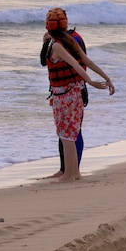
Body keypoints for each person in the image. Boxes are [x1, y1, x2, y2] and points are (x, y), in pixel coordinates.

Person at [43, 7, 116, 183]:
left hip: (64, 95)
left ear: (48, 28)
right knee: (72, 133)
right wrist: (107, 78)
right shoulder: (71, 40)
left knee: (66, 135)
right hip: (76, 92)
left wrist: (91, 81)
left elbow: (76, 65)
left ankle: (68, 174)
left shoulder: (58, 46)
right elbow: (87, 61)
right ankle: (75, 173)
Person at [39, 10, 87, 178]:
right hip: (65, 90)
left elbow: (81, 63)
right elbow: (43, 61)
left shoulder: (71, 40)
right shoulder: (58, 41)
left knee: (73, 132)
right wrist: (46, 43)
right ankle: (65, 169)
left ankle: (73, 170)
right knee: (65, 133)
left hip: (74, 90)